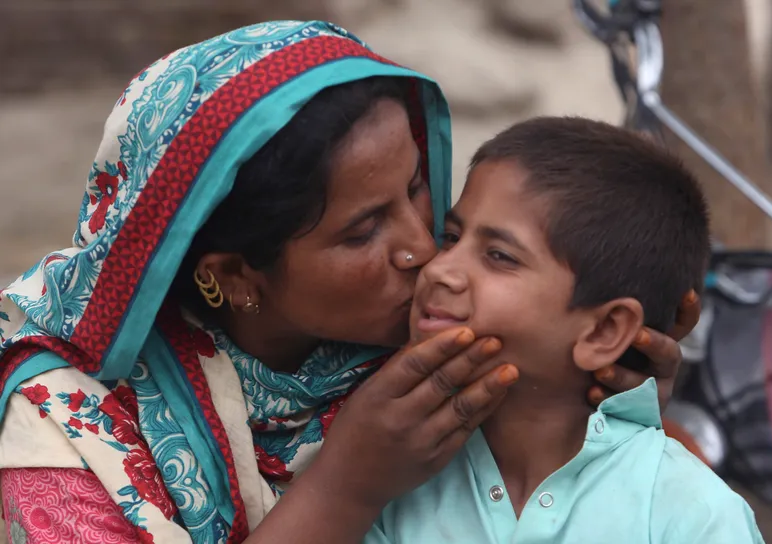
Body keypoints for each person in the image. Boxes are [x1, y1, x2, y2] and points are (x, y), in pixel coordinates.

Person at [0, 22, 698, 544]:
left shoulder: (444, 348)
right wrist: (344, 488)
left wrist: (602, 402)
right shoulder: (62, 436)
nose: (424, 251)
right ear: (234, 278)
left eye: (419, 187)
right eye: (363, 231)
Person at [343, 117, 760, 544]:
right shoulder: (394, 476)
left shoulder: (690, 515)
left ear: (603, 331)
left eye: (499, 256)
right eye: (451, 237)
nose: (439, 269)